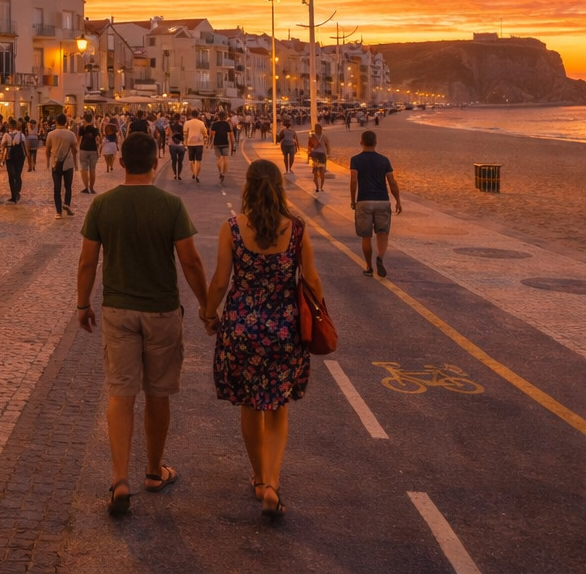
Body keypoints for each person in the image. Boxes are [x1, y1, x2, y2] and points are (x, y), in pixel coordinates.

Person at [76, 132, 210, 516]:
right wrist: (205, 307)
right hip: (162, 311)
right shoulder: (171, 205)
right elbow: (191, 262)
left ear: (121, 163)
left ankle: (120, 479)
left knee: (120, 393)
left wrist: (83, 304)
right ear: (156, 161)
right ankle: (153, 471)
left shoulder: (103, 205)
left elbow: (87, 261)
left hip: (118, 310)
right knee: (157, 393)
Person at [202, 159, 322, 520]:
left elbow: (221, 280)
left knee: (249, 406)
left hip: (241, 327)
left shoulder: (233, 229)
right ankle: (272, 481)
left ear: (248, 188)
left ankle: (256, 477)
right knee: (277, 408)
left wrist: (209, 314)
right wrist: (319, 316)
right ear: (279, 189)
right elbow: (313, 281)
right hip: (284, 328)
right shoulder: (297, 230)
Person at [350, 129, 402, 277]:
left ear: (361, 142)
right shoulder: (384, 160)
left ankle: (368, 267)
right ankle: (380, 257)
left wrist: (352, 200)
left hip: (364, 201)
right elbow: (392, 182)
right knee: (382, 232)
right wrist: (398, 201)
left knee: (366, 236)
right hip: (382, 201)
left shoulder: (355, 159)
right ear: (376, 142)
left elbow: (353, 181)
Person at [45, 115, 79, 219]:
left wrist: (47, 162)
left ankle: (58, 212)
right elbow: (75, 149)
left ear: (56, 122)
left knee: (57, 188)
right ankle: (67, 204)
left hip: (55, 164)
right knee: (68, 187)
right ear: (65, 122)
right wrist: (76, 164)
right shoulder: (71, 134)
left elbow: (47, 149)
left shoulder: (51, 134)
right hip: (68, 164)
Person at [1, 120, 27, 203]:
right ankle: (17, 191)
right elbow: (25, 146)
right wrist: (27, 157)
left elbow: (2, 145)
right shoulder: (21, 134)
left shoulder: (6, 135)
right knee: (17, 174)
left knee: (11, 175)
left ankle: (13, 195)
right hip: (19, 155)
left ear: (9, 126)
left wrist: (2, 157)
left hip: (9, 155)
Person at [77, 115, 101, 194]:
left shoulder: (82, 128)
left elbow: (78, 139)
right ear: (92, 120)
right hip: (93, 150)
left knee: (84, 169)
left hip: (83, 149)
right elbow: (99, 139)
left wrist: (77, 147)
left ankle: (86, 187)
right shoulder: (95, 129)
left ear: (84, 119)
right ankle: (92, 188)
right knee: (92, 169)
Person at [182, 111, 208, 183]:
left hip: (190, 144)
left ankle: (193, 172)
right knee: (198, 161)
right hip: (199, 143)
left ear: (191, 115)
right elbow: (205, 133)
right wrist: (205, 140)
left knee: (191, 160)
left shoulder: (187, 123)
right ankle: (197, 175)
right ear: (198, 115)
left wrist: (185, 143)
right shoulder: (201, 123)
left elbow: (185, 134)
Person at [210, 112, 234, 183]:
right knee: (225, 159)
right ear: (225, 117)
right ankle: (224, 173)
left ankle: (220, 171)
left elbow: (211, 134)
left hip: (217, 143)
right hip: (225, 143)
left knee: (219, 158)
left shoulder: (214, 124)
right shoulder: (227, 124)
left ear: (218, 116)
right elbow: (231, 135)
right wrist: (232, 143)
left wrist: (210, 142)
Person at [308, 125, 332, 192]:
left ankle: (318, 187)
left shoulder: (312, 136)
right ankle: (321, 187)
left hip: (315, 155)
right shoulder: (324, 136)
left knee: (316, 172)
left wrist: (308, 156)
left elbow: (309, 146)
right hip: (322, 155)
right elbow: (328, 146)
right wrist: (328, 153)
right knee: (321, 172)